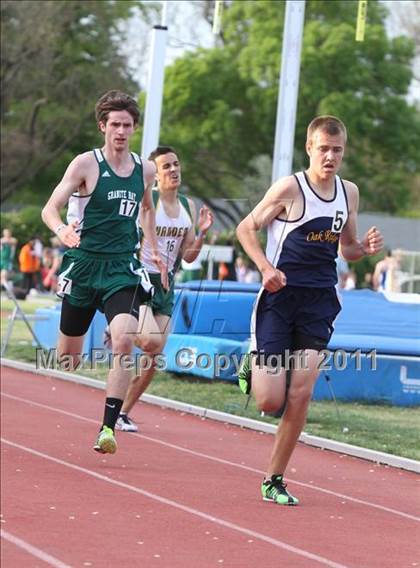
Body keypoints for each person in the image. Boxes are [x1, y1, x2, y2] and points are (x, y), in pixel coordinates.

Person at [236, 115, 383, 505]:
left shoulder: (348, 192)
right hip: (279, 297)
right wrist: (266, 268)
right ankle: (252, 363)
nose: (330, 156)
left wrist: (363, 249)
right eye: (323, 149)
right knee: (270, 401)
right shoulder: (290, 188)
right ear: (309, 148)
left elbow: (346, 247)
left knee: (301, 392)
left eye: (337, 150)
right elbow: (245, 229)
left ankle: (274, 478)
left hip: (319, 300)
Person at [41, 90, 167, 454]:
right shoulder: (85, 164)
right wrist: (62, 230)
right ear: (103, 126)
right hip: (83, 265)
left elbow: (146, 209)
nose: (121, 131)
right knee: (68, 359)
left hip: (121, 268)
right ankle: (98, 332)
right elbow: (49, 209)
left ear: (134, 128)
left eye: (127, 125)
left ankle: (107, 428)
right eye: (115, 124)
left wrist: (154, 251)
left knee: (125, 340)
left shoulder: (145, 169)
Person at [107, 145, 214, 432]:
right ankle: (119, 326)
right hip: (139, 280)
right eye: (166, 166)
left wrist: (202, 233)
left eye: (176, 164)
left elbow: (189, 255)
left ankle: (122, 413)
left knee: (155, 355)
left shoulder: (188, 207)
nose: (174, 170)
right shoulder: (148, 199)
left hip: (166, 285)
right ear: (155, 175)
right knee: (151, 341)